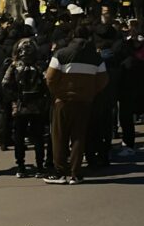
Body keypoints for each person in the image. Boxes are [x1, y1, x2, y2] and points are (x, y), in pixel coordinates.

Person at [45, 25, 108, 184]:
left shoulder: (60, 54)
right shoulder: (96, 57)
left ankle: (60, 172)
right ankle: (75, 173)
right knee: (79, 137)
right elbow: (103, 80)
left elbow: (50, 78)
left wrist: (58, 93)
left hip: (62, 100)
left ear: (72, 36)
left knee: (59, 137)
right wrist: (90, 92)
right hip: (84, 101)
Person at [2, 38, 50, 178]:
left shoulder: (14, 66)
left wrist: (14, 97)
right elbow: (47, 82)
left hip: (19, 106)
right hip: (37, 106)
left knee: (19, 137)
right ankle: (40, 167)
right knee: (38, 137)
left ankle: (21, 167)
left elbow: (5, 83)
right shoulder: (39, 66)